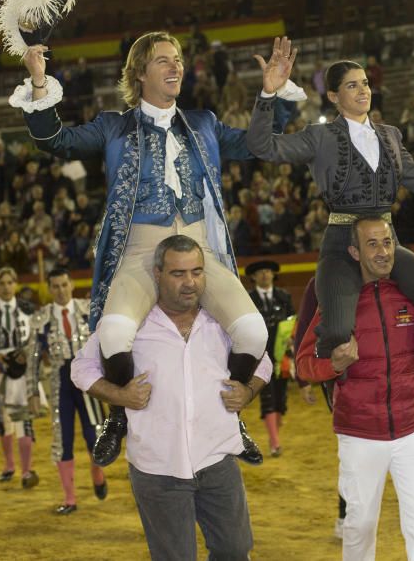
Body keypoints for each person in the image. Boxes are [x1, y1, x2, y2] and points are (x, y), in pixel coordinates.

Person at [10, 32, 284, 466]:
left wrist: (271, 95)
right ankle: (118, 414)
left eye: (177, 60)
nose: (176, 67)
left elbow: (257, 145)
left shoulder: (205, 123)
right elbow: (55, 142)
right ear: (139, 73)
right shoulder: (114, 125)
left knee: (253, 332)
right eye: (163, 61)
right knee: (115, 335)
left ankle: (231, 416)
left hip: (198, 252)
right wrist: (40, 83)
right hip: (140, 250)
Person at [247, 40, 414, 360]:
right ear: (333, 97)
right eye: (352, 85)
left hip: (388, 243)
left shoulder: (391, 135)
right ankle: (329, 384)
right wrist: (268, 94)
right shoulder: (318, 137)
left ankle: (407, 365)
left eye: (365, 83)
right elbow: (262, 146)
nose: (363, 90)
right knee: (335, 331)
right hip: (340, 244)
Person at [72, 236, 273, 561]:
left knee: (235, 551)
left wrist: (248, 391)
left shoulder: (221, 321)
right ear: (157, 274)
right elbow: (81, 368)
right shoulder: (132, 325)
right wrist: (120, 395)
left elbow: (263, 361)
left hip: (218, 460)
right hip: (157, 469)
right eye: (178, 273)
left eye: (197, 271)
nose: (190, 282)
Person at [296, 216, 414, 561]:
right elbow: (304, 364)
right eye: (372, 244)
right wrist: (334, 365)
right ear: (354, 251)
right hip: (359, 431)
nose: (383, 252)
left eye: (387, 243)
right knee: (360, 524)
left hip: (413, 427)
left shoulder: (412, 296)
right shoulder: (336, 305)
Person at [26, 267, 107, 514]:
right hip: (60, 383)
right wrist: (33, 392)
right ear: (49, 290)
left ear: (71, 284)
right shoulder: (42, 319)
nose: (60, 290)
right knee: (63, 440)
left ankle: (97, 472)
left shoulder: (88, 311)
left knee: (95, 436)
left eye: (64, 285)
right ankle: (69, 498)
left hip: (88, 380)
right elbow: (34, 358)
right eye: (55, 286)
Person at [0, 266, 39, 488]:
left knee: (23, 419)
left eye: (9, 282)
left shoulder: (28, 309)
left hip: (21, 370)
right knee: (3, 419)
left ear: (15, 284)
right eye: (1, 283)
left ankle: (26, 470)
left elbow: (34, 339)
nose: (6, 287)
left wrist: (26, 355)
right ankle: (9, 465)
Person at [245, 259, 296, 457]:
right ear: (253, 277)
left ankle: (275, 431)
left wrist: (291, 344)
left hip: (281, 353)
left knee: (280, 399)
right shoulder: (248, 299)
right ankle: (274, 442)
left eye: (268, 271)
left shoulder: (283, 296)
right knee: (268, 398)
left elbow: (292, 322)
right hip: (259, 355)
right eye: (260, 272)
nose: (265, 275)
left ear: (273, 275)